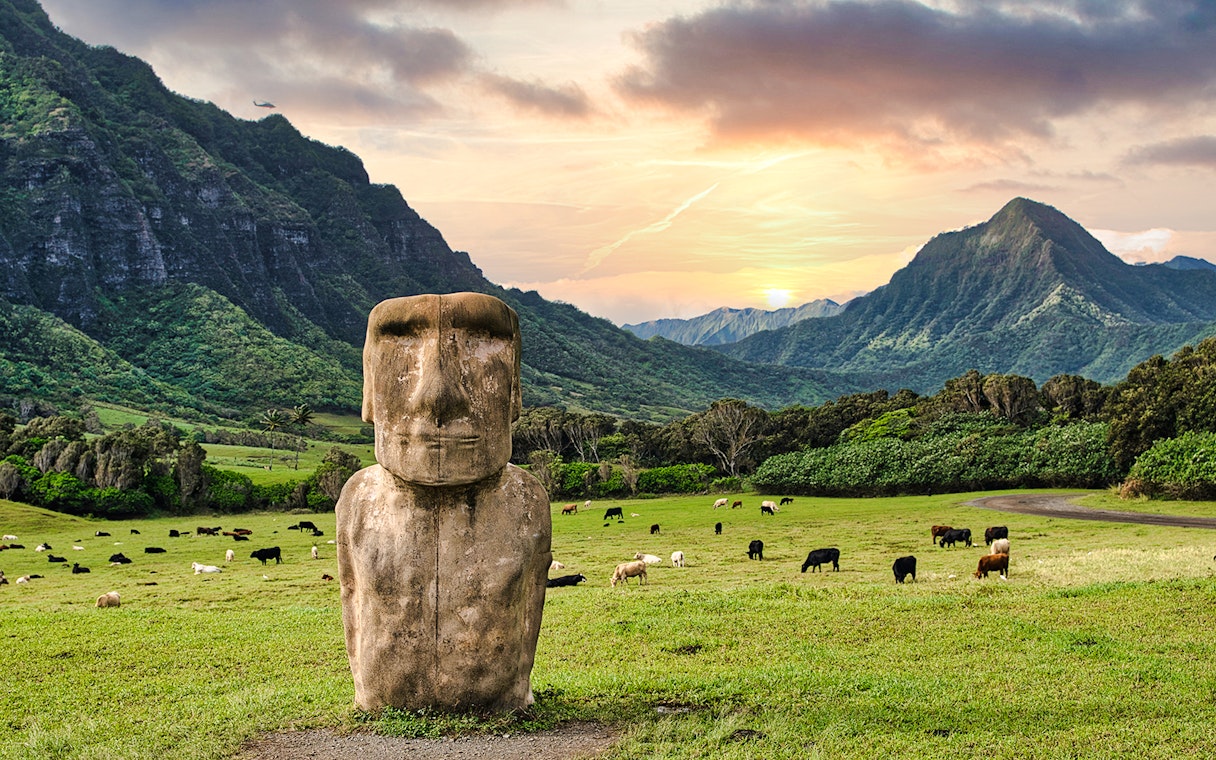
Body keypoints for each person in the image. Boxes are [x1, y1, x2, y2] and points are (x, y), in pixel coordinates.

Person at [336, 293, 551, 712]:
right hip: (383, 704)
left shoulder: (525, 501)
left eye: (483, 341)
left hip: (498, 702)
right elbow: (352, 606)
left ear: (514, 390)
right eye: (399, 341)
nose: (437, 393)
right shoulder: (359, 499)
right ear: (370, 388)